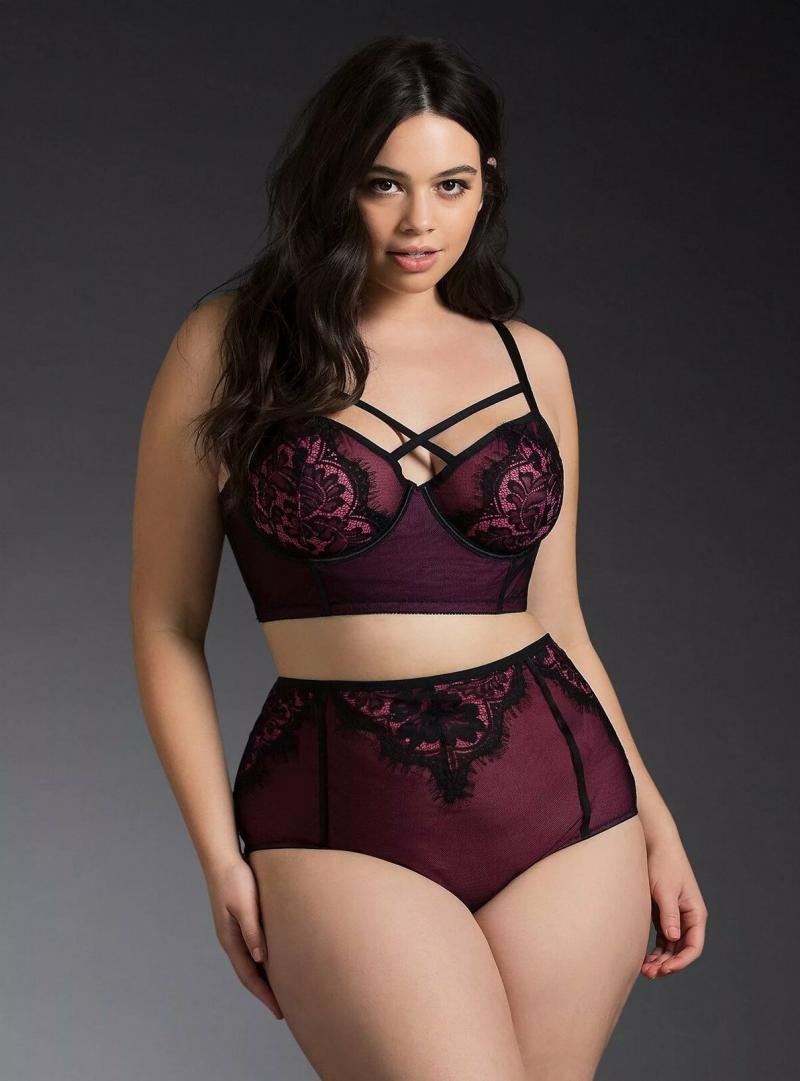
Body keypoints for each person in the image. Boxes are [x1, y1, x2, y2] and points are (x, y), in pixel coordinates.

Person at [131, 34, 707, 1081]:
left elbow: (561, 621)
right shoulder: (229, 346)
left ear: (486, 184)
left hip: (568, 806)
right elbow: (166, 624)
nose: (419, 223)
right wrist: (219, 856)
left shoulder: (532, 363)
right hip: (337, 807)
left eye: (451, 185)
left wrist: (658, 823)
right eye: (383, 183)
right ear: (333, 181)